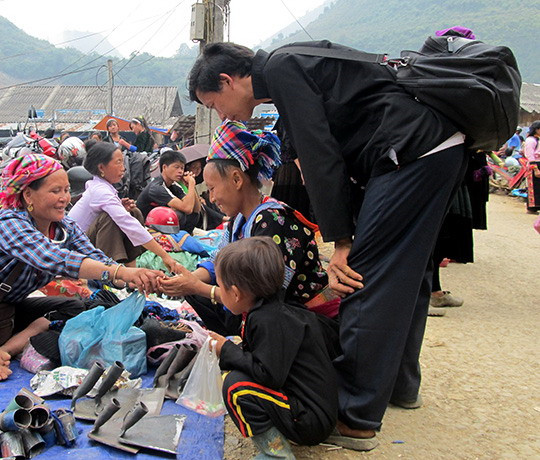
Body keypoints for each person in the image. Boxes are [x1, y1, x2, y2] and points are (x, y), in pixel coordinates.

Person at [188, 41, 467, 450]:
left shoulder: (281, 68)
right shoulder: (290, 66)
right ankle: (401, 385)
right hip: (434, 147)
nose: (221, 115)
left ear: (228, 81)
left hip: (410, 152)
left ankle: (356, 416)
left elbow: (321, 155)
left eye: (214, 104)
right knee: (409, 273)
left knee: (364, 277)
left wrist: (342, 241)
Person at [0, 153, 162, 383]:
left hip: (5, 309)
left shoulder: (64, 227)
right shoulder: (9, 221)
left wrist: (135, 278)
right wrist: (122, 272)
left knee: (76, 307)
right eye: (55, 191)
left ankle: (7, 348)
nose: (65, 198)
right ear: (28, 195)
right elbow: (53, 258)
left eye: (66, 190)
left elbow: (94, 257)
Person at [159, 120, 337, 333]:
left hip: (302, 318)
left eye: (213, 188)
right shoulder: (238, 220)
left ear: (236, 180)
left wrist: (199, 287)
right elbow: (218, 260)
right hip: (266, 307)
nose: (212, 198)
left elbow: (261, 295)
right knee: (196, 293)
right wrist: (187, 280)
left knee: (206, 296)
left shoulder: (273, 220)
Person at [208, 237, 337, 458]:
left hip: (310, 419)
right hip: (314, 409)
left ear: (236, 294)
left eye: (220, 287)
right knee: (237, 371)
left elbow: (268, 374)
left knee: (235, 387)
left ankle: (276, 454)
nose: (219, 291)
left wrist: (226, 350)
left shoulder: (267, 320)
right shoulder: (274, 309)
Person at [68, 140, 176, 268]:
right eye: (118, 162)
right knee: (111, 218)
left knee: (133, 212)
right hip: (75, 248)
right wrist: (164, 256)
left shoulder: (103, 187)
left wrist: (120, 206)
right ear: (101, 168)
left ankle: (130, 265)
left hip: (87, 240)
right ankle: (108, 268)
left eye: (122, 162)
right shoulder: (101, 191)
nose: (123, 168)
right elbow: (128, 223)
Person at [136, 150, 201, 232]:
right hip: (145, 226)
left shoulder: (173, 185)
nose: (180, 171)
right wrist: (191, 183)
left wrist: (189, 186)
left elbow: (196, 209)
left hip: (160, 223)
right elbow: (187, 208)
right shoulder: (157, 187)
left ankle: (183, 236)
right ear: (164, 167)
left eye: (182, 168)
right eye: (176, 167)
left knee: (194, 215)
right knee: (179, 215)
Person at [523, 121, 540, 214]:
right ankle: (532, 208)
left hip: (538, 163)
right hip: (534, 164)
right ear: (536, 130)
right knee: (533, 187)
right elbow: (530, 155)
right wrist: (535, 169)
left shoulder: (538, 140)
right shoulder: (530, 140)